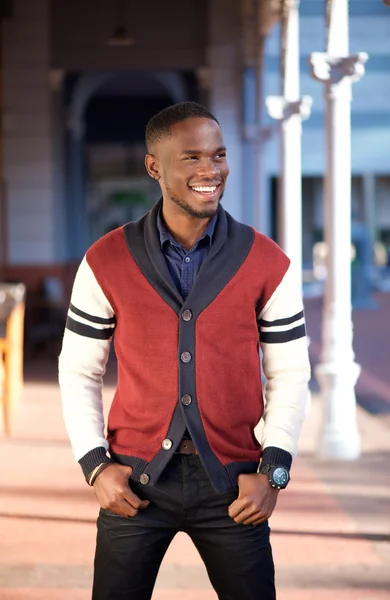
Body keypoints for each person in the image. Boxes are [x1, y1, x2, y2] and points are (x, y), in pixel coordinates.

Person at [58, 101, 311, 600]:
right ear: (155, 167)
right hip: (134, 483)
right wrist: (95, 465)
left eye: (217, 156)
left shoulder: (267, 261)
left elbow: (290, 372)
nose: (210, 171)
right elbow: (79, 371)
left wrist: (273, 472)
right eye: (192, 158)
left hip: (236, 486)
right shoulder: (105, 259)